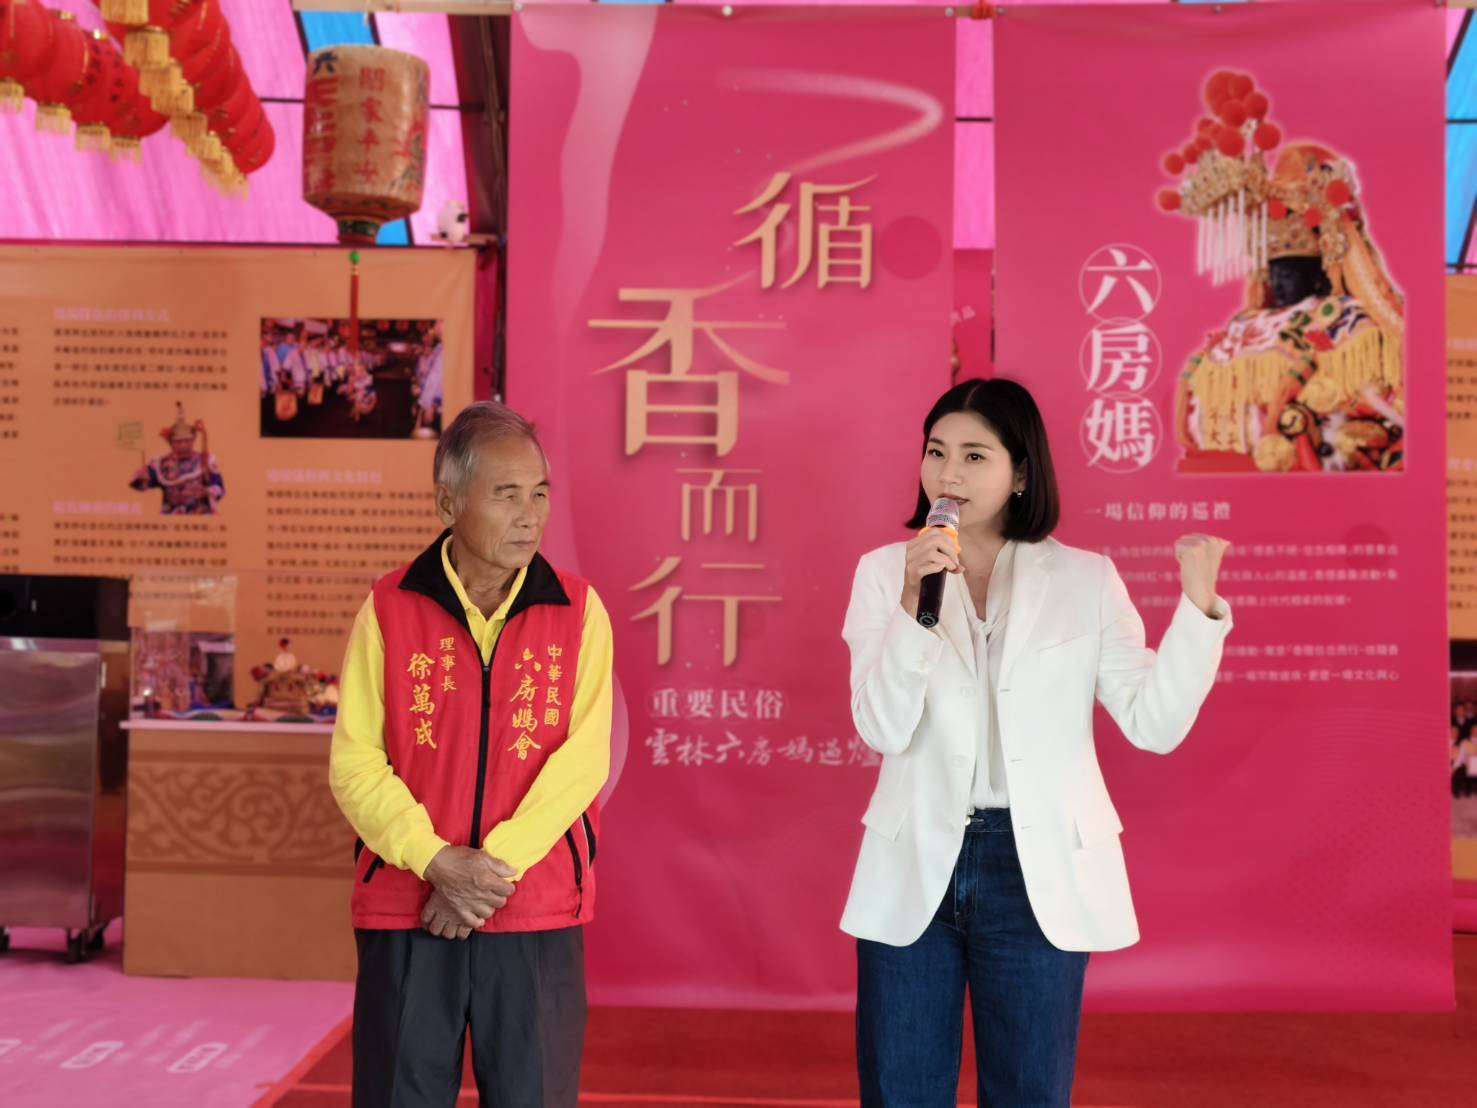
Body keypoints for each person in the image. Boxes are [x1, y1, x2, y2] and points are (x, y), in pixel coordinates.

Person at [840, 378, 1232, 1107]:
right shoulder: (884, 573)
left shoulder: (1085, 579)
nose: (948, 474)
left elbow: (1152, 723)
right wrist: (912, 607)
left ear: (1020, 473)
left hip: (1035, 863)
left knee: (1030, 1092)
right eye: (935, 452)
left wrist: (1199, 609)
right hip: (914, 857)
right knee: (900, 1090)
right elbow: (882, 727)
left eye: (974, 456)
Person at [329, 401, 613, 1107]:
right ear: (447, 503)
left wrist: (486, 874)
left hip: (533, 908)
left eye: (540, 493)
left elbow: (582, 761)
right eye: (506, 494)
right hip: (410, 906)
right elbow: (356, 763)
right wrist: (435, 862)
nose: (529, 516)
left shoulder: (579, 611)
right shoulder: (388, 608)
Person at [128, 403, 224, 515]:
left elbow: (219, 487)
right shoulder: (160, 463)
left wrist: (206, 491)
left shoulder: (206, 460)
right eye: (178, 441)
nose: (183, 445)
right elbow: (142, 486)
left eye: (187, 441)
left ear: (193, 440)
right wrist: (143, 479)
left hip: (200, 514)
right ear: (170, 442)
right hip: (171, 514)